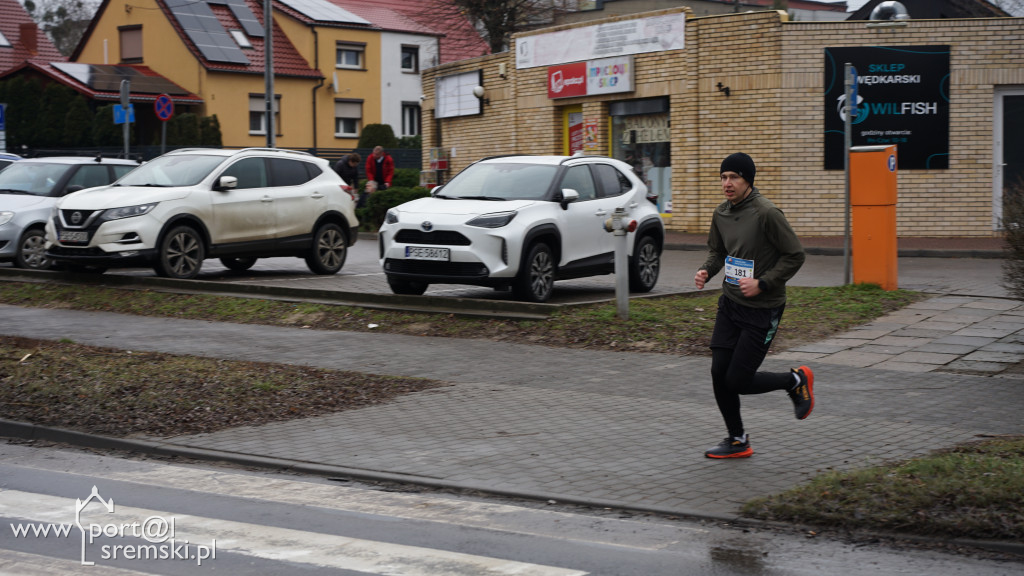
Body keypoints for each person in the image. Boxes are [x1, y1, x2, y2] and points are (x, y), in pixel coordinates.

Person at [694, 152, 814, 459]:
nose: (727, 183)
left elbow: (795, 255)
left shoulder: (767, 213)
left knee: (739, 380)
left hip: (764, 309)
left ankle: (795, 380)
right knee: (719, 373)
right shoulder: (721, 213)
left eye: (734, 177)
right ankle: (737, 440)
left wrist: (763, 283)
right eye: (723, 177)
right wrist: (708, 270)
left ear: (748, 179)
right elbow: (718, 250)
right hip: (731, 304)